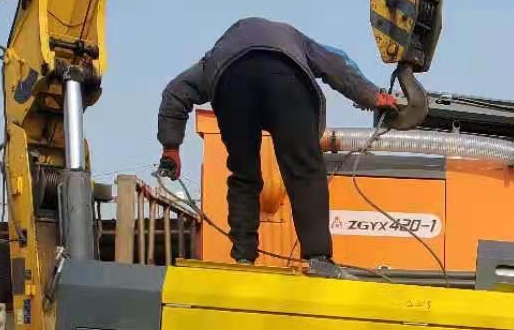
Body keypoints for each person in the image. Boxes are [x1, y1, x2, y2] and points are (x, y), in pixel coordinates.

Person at [155, 18, 399, 276]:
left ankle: (244, 258)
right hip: (286, 78)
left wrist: (171, 148)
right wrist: (372, 96)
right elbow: (336, 65)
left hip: (231, 82)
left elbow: (175, 92)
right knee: (304, 170)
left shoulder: (216, 56)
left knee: (244, 175)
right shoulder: (294, 39)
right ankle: (318, 258)